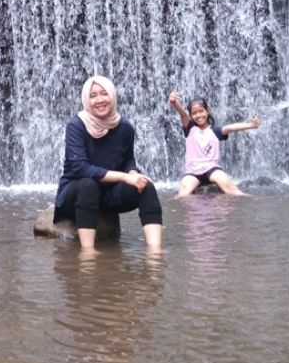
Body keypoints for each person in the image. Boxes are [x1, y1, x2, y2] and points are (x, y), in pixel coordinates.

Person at [54, 75, 163, 255]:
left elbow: (128, 160)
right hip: (76, 196)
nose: (99, 100)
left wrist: (133, 173)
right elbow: (80, 168)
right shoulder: (76, 126)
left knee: (146, 185)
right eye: (93, 96)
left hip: (109, 195)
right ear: (86, 100)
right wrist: (124, 177)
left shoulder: (125, 127)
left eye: (104, 94)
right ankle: (88, 251)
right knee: (88, 185)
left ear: (112, 95)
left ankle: (155, 250)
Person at [168, 91, 261, 197]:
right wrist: (174, 102)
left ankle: (253, 200)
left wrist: (251, 125)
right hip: (192, 172)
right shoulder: (189, 128)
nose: (198, 115)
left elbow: (230, 128)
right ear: (191, 116)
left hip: (212, 169)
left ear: (207, 111)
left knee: (233, 191)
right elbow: (182, 114)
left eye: (201, 111)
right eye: (194, 113)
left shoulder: (215, 131)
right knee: (182, 195)